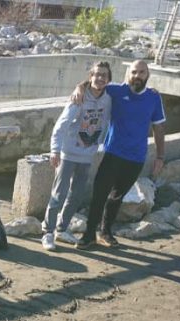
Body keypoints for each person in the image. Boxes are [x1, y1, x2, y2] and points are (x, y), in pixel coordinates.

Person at [71, 60, 166, 250]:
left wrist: (160, 157)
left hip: (136, 157)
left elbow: (159, 127)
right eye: (133, 72)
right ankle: (89, 234)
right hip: (113, 153)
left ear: (147, 75)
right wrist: (79, 88)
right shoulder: (116, 90)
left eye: (141, 72)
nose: (137, 76)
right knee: (99, 193)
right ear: (127, 74)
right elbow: (94, 82)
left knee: (117, 197)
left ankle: (105, 232)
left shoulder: (154, 98)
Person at [41, 61, 112, 252]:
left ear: (109, 79)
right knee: (59, 194)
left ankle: (61, 229)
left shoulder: (108, 98)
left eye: (104, 75)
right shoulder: (79, 98)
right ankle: (47, 232)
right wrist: (55, 150)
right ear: (90, 77)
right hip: (68, 154)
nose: (100, 78)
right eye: (96, 74)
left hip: (87, 155)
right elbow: (60, 125)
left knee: (76, 195)